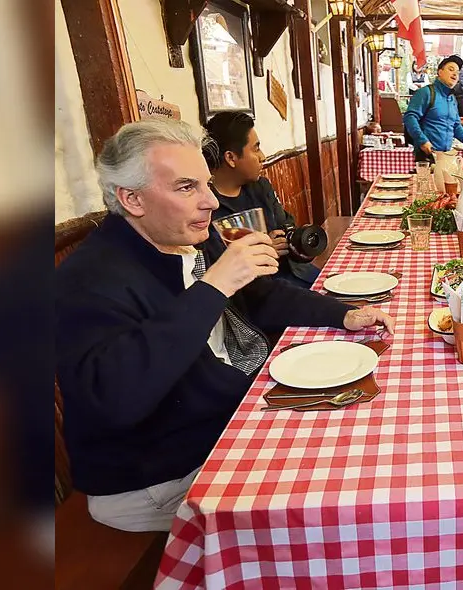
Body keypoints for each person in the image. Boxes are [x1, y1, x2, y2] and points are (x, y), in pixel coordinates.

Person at [55, 119, 395, 532]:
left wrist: (341, 314)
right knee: (339, 498)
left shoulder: (186, 235)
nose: (211, 202)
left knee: (369, 431)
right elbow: (116, 399)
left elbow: (261, 294)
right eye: (186, 187)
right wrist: (214, 286)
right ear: (132, 199)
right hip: (157, 475)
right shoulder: (87, 279)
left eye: (206, 183)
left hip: (225, 416)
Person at [204, 112, 320, 288]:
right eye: (256, 148)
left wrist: (292, 241)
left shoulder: (260, 187)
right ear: (231, 158)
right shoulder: (207, 205)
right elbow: (217, 264)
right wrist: (262, 251)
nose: (263, 156)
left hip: (296, 274)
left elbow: (286, 224)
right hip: (257, 292)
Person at [403, 54, 463, 163]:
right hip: (427, 155)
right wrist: (422, 140)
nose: (455, 74)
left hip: (446, 155)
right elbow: (410, 117)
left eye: (457, 72)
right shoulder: (426, 92)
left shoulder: (452, 99)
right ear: (440, 72)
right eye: (451, 69)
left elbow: (456, 125)